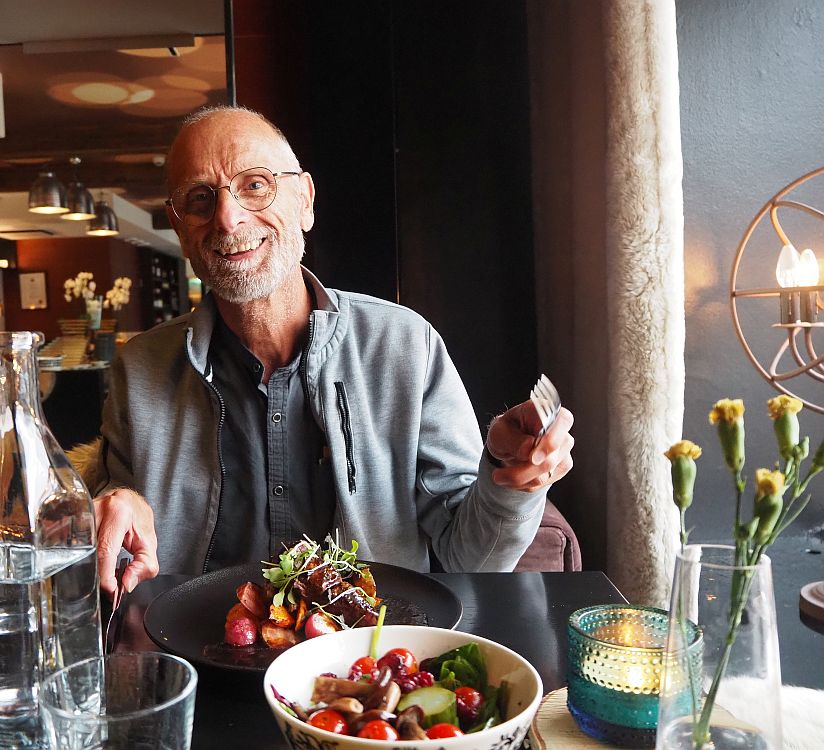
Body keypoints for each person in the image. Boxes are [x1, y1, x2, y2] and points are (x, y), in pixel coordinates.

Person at [92, 105, 574, 596]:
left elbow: (470, 557)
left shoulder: (406, 345)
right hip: (195, 651)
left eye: (255, 185)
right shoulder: (140, 368)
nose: (228, 217)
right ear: (179, 227)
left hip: (368, 656)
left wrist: (508, 480)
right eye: (199, 198)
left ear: (304, 201)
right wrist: (114, 505)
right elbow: (122, 530)